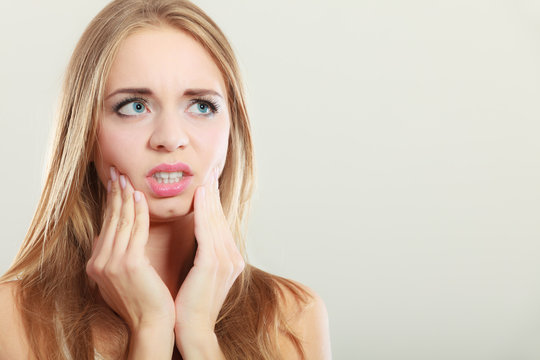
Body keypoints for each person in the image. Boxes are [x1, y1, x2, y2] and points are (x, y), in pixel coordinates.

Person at [0, 0, 331, 359]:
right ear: (84, 135)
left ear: (232, 130)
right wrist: (151, 327)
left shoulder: (293, 316)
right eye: (134, 106)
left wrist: (198, 334)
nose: (171, 138)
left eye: (201, 106)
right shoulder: (12, 317)